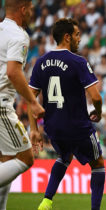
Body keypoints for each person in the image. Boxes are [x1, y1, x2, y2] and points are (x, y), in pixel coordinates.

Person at [28, 18, 104, 210]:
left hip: (53, 127)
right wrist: (99, 111)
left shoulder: (40, 62)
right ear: (67, 36)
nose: (80, 39)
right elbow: (96, 97)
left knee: (64, 157)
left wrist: (34, 129)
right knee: (98, 164)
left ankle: (46, 201)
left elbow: (30, 99)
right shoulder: (78, 61)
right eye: (77, 35)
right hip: (78, 126)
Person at [0, 0, 45, 209]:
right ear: (23, 9)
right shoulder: (19, 36)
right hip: (1, 105)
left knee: (7, 159)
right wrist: (33, 102)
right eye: (31, 10)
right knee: (25, 158)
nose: (32, 15)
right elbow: (13, 72)